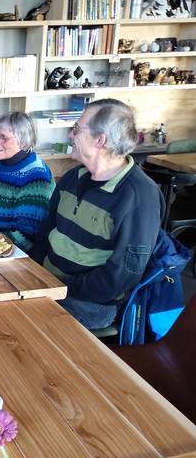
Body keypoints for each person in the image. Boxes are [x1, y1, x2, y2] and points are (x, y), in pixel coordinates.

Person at [30, 99, 164, 330]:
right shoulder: (73, 178)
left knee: (14, 326)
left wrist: (60, 287)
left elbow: (121, 276)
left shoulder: (139, 196)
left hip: (89, 302)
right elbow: (46, 232)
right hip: (48, 283)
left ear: (100, 140)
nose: (71, 136)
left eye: (77, 129)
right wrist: (30, 273)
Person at [0, 112, 55, 252]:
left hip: (7, 254)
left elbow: (26, 237)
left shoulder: (36, 178)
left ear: (23, 142)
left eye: (3, 137)